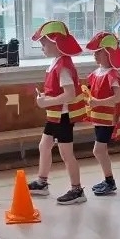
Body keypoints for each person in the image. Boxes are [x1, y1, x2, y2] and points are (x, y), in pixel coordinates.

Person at [29, 20, 87, 205]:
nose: (42, 48)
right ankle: (42, 182)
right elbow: (58, 91)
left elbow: (69, 94)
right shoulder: (56, 63)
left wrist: (46, 102)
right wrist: (46, 98)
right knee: (44, 145)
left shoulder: (63, 66)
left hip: (63, 116)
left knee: (66, 154)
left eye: (44, 44)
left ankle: (77, 190)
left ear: (56, 43)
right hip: (55, 116)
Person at [85, 31, 120, 196]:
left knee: (98, 150)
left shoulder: (112, 74)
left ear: (109, 52)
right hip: (98, 118)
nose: (95, 55)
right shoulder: (97, 72)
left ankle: (110, 181)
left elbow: (118, 97)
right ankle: (108, 180)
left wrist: (98, 102)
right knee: (101, 150)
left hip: (107, 119)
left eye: (99, 51)